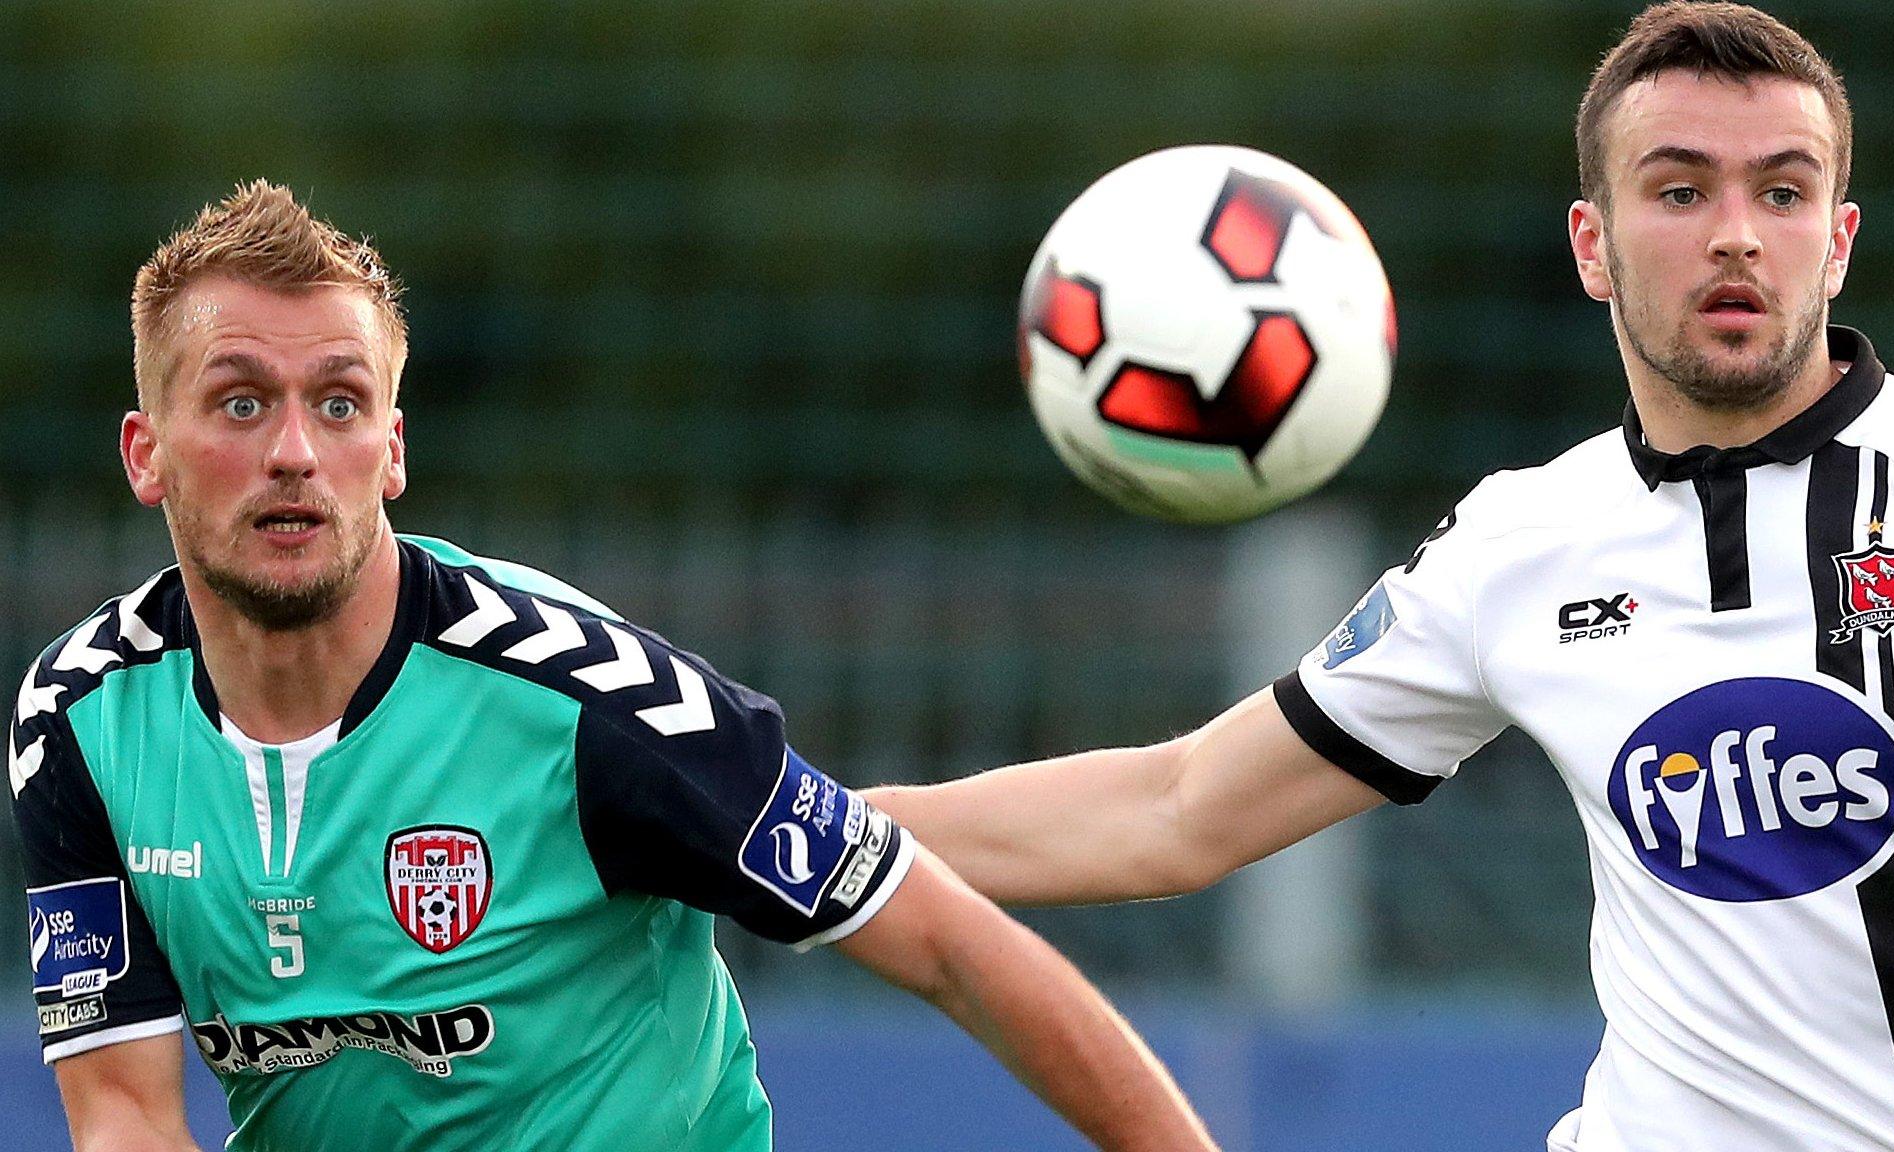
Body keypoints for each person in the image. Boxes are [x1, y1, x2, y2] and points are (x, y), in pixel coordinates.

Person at [870, 4, 1894, 1150]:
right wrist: (775, 821)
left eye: (1780, 193)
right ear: (1592, 244)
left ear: (1836, 243)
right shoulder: (1519, 546)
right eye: (1680, 190)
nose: (1735, 233)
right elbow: (1174, 809)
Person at [6, 180, 1218, 1152]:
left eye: (338, 403)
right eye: (236, 402)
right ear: (145, 453)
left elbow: (950, 944)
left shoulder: (586, 699)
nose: (290, 452)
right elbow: (122, 1115)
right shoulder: (79, 722)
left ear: (391, 454)